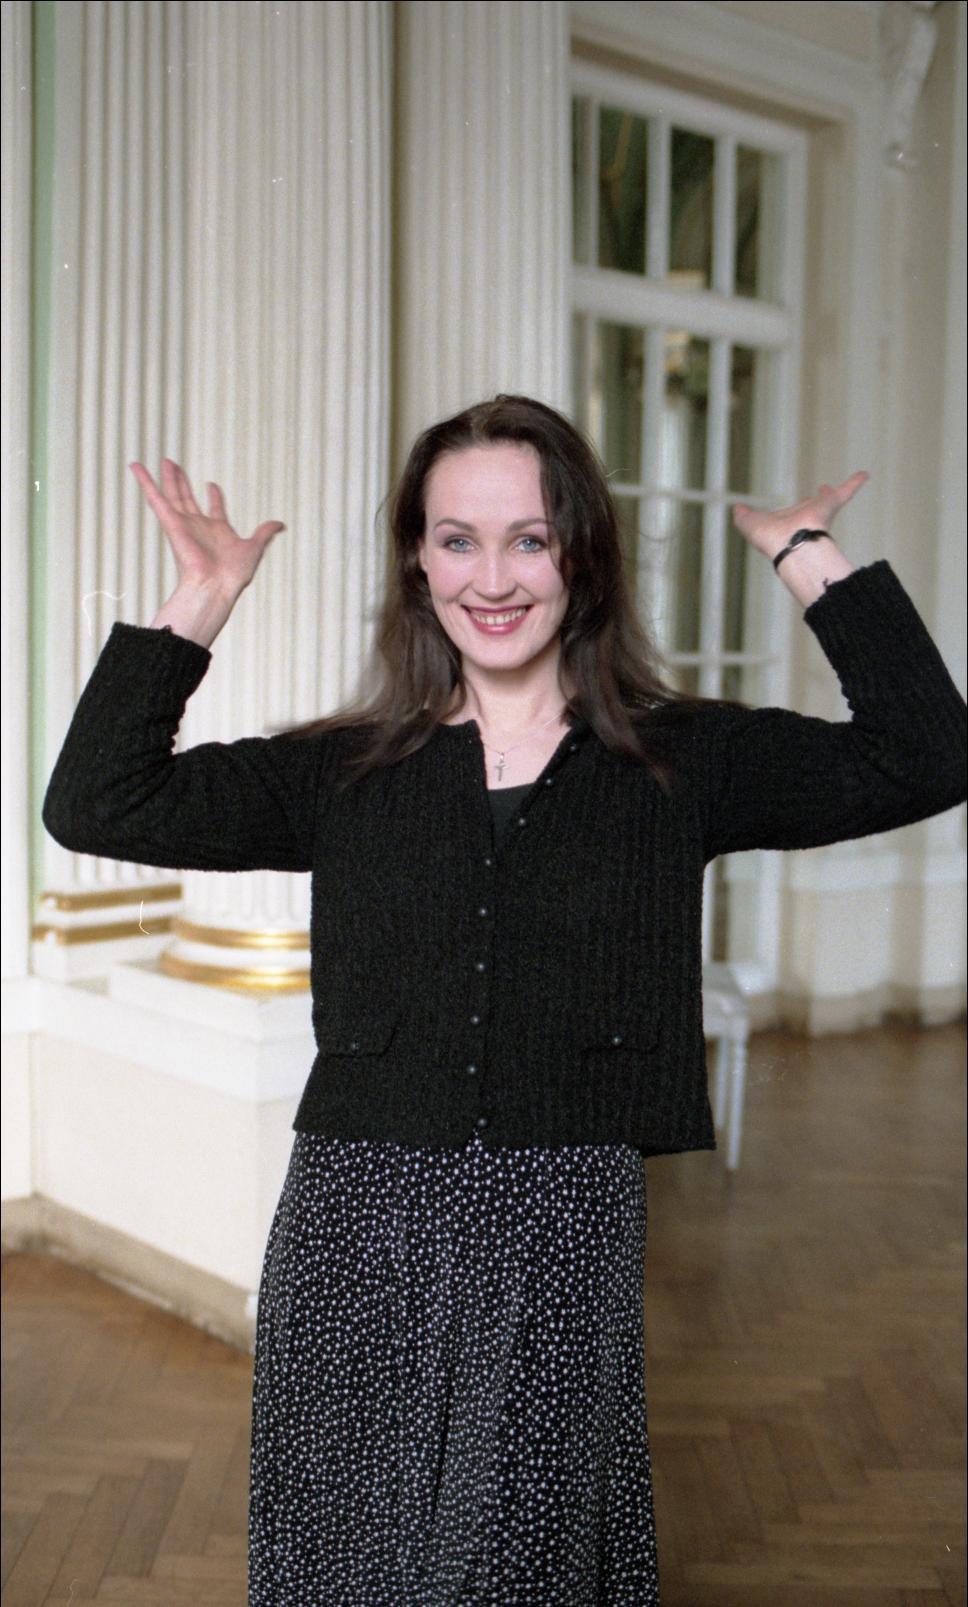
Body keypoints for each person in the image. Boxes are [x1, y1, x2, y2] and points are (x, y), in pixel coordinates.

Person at [43, 395, 967, 1604]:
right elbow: (95, 801)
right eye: (457, 539)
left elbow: (925, 753)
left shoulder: (677, 759)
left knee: (514, 1562)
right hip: (353, 1220)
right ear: (417, 562)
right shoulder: (343, 769)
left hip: (556, 1218)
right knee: (342, 1555)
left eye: (528, 538)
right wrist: (203, 596)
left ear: (581, 557)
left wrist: (806, 554)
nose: (491, 577)